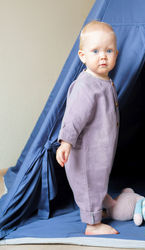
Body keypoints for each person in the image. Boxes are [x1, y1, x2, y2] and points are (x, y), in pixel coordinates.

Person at [56, 20, 119, 235]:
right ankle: (93, 224)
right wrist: (66, 142)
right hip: (86, 151)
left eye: (108, 50)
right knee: (89, 181)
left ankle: (101, 201)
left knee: (99, 177)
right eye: (96, 51)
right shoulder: (86, 86)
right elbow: (74, 117)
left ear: (116, 54)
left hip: (100, 147)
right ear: (83, 56)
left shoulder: (104, 80)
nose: (103, 56)